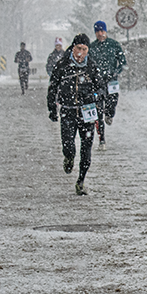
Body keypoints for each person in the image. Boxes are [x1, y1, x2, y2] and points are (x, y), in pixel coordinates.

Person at [47, 33, 105, 195]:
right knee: (68, 144)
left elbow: (101, 87)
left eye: (84, 49)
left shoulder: (91, 66)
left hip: (87, 112)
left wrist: (96, 96)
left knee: (86, 149)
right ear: (73, 48)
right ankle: (69, 157)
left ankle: (81, 181)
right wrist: (52, 108)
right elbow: (53, 87)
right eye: (78, 48)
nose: (81, 53)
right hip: (68, 111)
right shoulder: (63, 65)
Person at [89, 21, 127, 150]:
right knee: (98, 110)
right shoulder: (92, 47)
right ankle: (102, 139)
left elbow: (123, 62)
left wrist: (115, 72)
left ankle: (110, 114)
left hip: (111, 82)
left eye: (102, 31)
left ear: (105, 31)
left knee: (112, 102)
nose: (100, 33)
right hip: (97, 83)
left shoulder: (114, 45)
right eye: (98, 31)